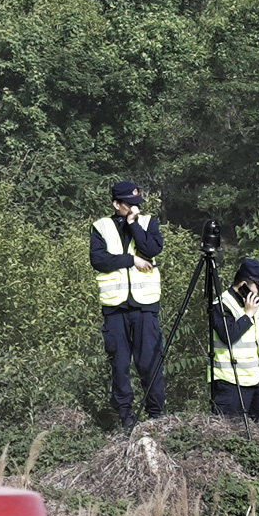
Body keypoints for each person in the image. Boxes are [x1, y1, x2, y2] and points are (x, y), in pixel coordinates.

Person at [92, 178, 169, 427]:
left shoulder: (147, 223)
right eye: (130, 204)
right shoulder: (101, 227)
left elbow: (151, 248)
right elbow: (99, 260)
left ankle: (155, 417)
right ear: (116, 204)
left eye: (138, 203)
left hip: (145, 307)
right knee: (120, 365)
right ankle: (125, 419)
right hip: (115, 309)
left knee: (149, 363)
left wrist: (133, 224)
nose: (136, 207)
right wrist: (131, 260)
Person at [208, 256, 259, 430]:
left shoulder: (250, 303)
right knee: (229, 432)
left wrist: (249, 310)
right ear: (245, 283)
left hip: (258, 378)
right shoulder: (222, 304)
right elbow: (227, 336)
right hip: (231, 382)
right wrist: (248, 314)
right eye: (257, 286)